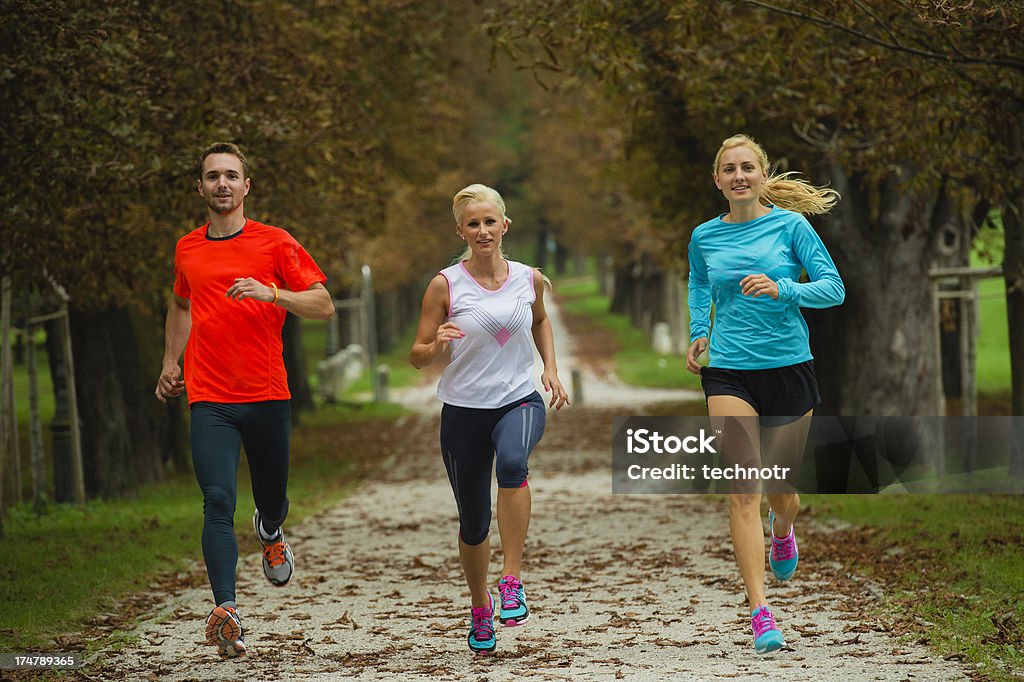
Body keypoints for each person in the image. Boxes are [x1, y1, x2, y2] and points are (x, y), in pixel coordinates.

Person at [155, 142, 335, 658]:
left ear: (246, 186)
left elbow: (323, 304)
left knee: (272, 495)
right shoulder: (188, 247)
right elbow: (181, 302)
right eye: (212, 176)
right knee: (216, 500)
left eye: (231, 175)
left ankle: (271, 528)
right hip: (210, 397)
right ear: (201, 187)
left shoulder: (275, 243)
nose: (222, 184)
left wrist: (272, 293)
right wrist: (172, 362)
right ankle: (225, 610)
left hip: (267, 393)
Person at [685, 134, 845, 654]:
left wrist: (785, 289)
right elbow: (698, 284)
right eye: (728, 169)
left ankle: (783, 526)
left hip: (788, 369)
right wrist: (698, 330)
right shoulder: (705, 236)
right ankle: (759, 611)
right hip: (730, 372)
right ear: (717, 180)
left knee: (781, 493)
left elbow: (834, 288)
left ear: (763, 174)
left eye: (747, 167)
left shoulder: (792, 226)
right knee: (741, 489)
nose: (738, 176)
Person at [410, 183, 570, 655]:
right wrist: (436, 343)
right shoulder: (445, 284)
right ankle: (480, 607)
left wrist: (551, 369)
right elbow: (417, 356)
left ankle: (512, 580)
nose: (483, 230)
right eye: (473, 224)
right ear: (461, 230)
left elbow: (541, 320)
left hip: (519, 398)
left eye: (490, 221)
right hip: (463, 410)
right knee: (473, 522)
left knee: (515, 463)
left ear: (505, 225)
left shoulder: (529, 278)